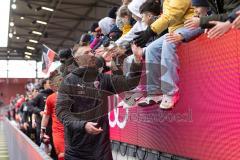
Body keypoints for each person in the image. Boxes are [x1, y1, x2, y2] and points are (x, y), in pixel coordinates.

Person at [56, 44, 143, 160]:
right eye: (87, 53)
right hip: (77, 150)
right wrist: (83, 125)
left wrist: (137, 61)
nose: (91, 54)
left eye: (92, 51)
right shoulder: (69, 81)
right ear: (77, 59)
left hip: (101, 149)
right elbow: (62, 112)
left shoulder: (103, 78)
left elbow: (129, 83)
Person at [134, 0, 195, 109]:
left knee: (168, 41)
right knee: (151, 49)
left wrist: (151, 30)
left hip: (191, 24)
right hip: (175, 29)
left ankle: (170, 93)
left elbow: (173, 13)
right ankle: (155, 93)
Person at [41, 69, 65, 160]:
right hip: (58, 133)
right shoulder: (50, 98)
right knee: (62, 155)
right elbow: (46, 115)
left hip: (73, 132)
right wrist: (42, 131)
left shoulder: (72, 96)